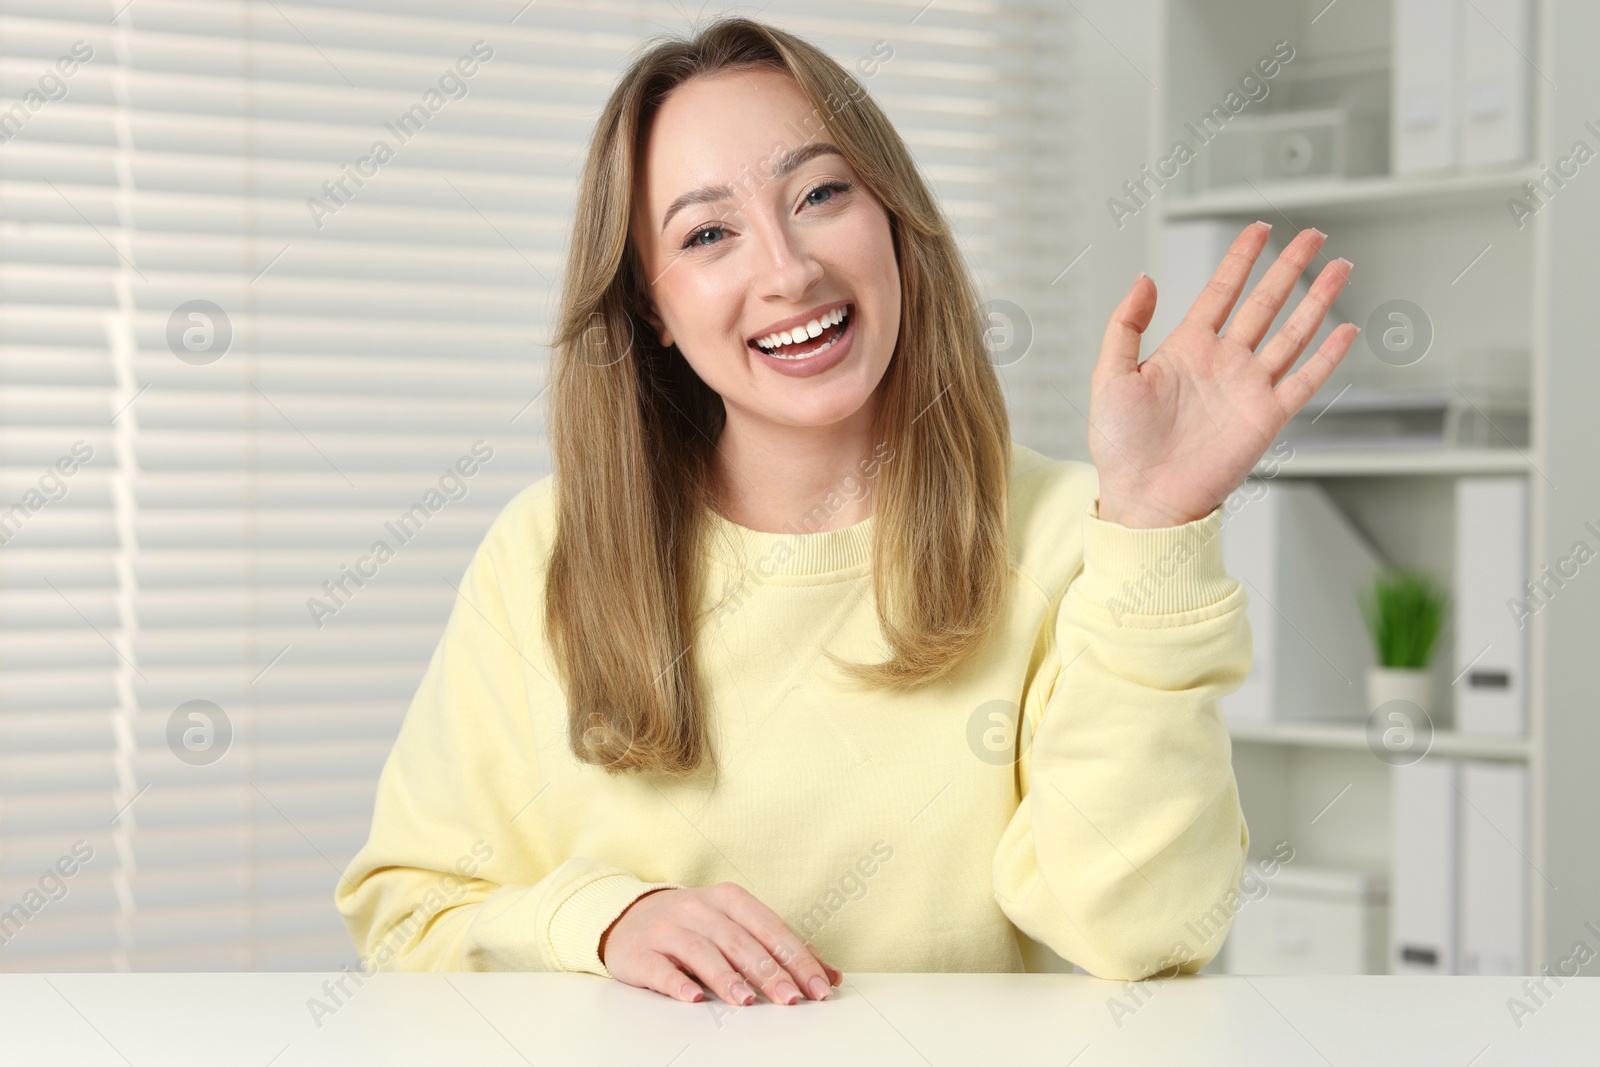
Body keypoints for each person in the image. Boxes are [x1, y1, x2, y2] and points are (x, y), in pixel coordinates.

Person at [335, 16, 1357, 1008]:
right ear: (651, 306)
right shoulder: (545, 550)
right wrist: (603, 922)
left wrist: (1149, 522)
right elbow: (407, 915)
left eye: (819, 192)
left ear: (893, 217)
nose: (787, 271)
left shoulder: (1070, 534)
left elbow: (1141, 933)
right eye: (707, 233)